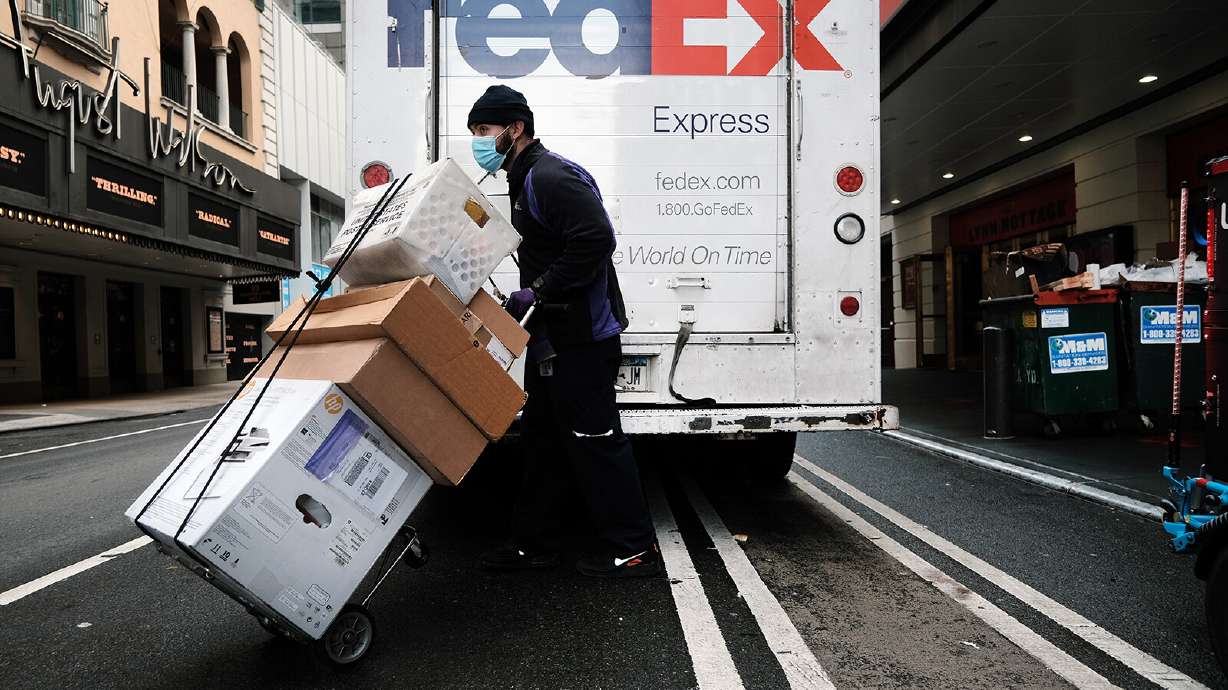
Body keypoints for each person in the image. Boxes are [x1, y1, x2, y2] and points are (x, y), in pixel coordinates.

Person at [469, 85, 660, 578]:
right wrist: (527, 294)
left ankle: (633, 548)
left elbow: (596, 238)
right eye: (475, 133)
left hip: (584, 339)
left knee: (595, 438)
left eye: (485, 131)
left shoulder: (550, 176)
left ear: (516, 129)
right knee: (544, 441)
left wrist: (541, 289)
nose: (480, 141)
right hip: (552, 338)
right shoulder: (522, 176)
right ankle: (535, 544)